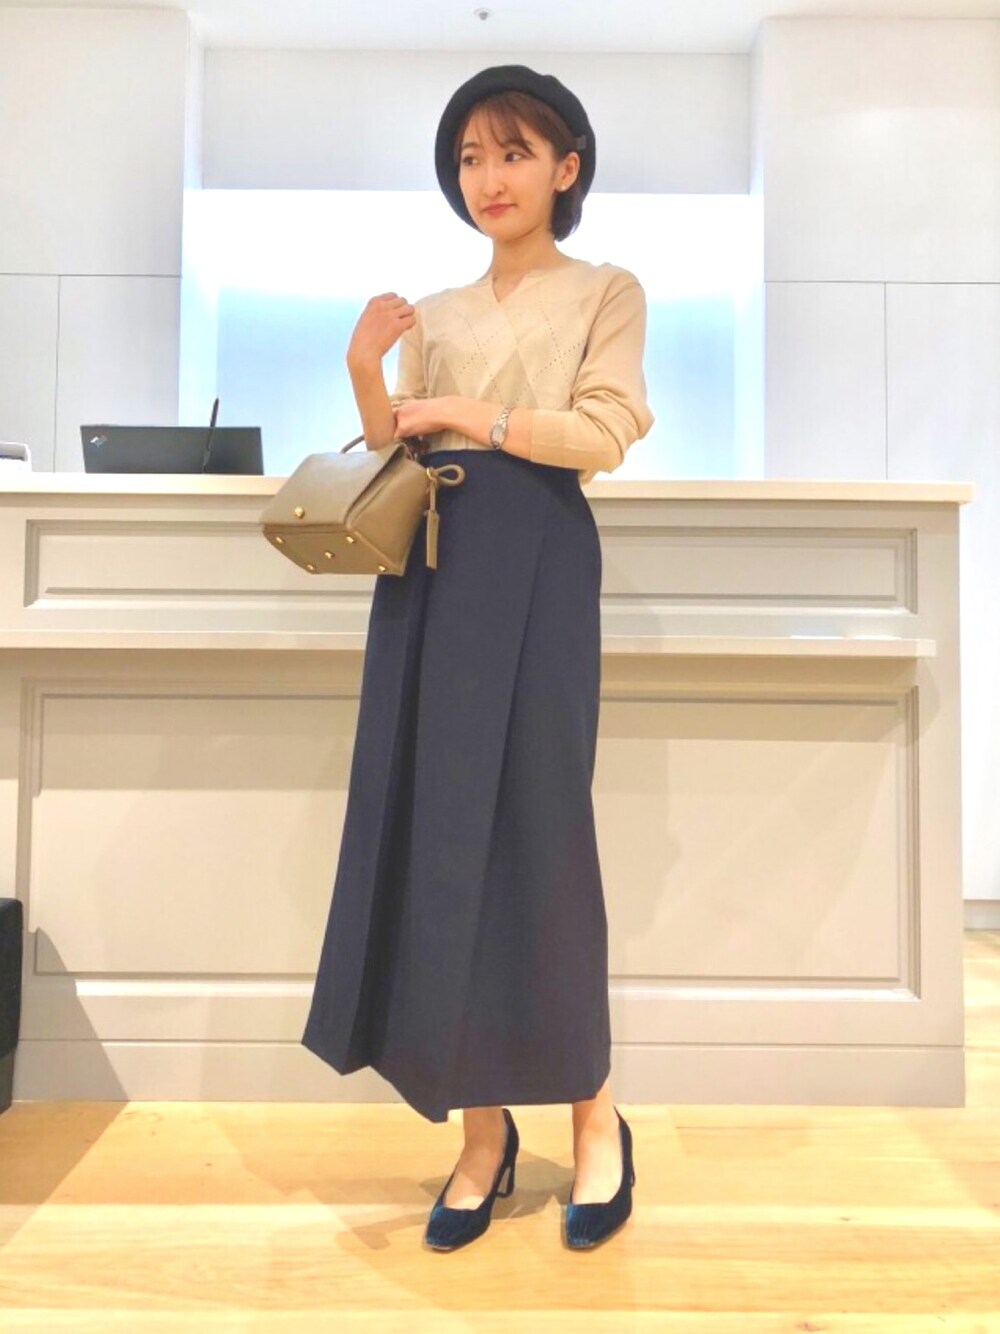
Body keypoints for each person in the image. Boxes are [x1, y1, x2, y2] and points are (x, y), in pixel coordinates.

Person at [301, 64, 654, 1252]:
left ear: (566, 167)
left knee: (542, 830)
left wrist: (470, 416)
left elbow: (601, 434)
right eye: (468, 157)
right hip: (432, 567)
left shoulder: (606, 289)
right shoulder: (439, 312)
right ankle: (481, 1130)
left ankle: (594, 1112)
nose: (487, 178)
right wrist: (368, 368)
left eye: (512, 153)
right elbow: (389, 446)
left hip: (537, 558)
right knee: (438, 832)